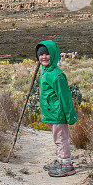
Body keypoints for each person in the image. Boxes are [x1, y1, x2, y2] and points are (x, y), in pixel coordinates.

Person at [36, 40, 77, 177]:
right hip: (52, 112)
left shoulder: (57, 75)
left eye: (47, 54)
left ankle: (66, 165)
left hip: (58, 113)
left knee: (60, 138)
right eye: (41, 55)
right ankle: (61, 161)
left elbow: (64, 97)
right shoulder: (46, 71)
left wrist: (70, 115)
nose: (44, 57)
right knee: (57, 138)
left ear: (53, 55)